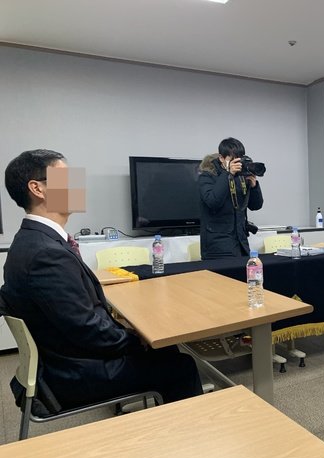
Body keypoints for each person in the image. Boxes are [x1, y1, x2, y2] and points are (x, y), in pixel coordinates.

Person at [1, 149, 203, 410]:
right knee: (181, 366)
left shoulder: (31, 241)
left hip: (64, 359)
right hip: (75, 373)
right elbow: (87, 330)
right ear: (37, 189)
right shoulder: (45, 253)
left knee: (166, 349)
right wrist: (136, 339)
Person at [199, 138, 264, 259]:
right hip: (217, 247)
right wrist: (228, 174)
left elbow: (256, 206)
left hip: (241, 243)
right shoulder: (207, 176)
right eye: (233, 159)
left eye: (239, 158)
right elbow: (213, 201)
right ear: (221, 158)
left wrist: (254, 186)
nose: (237, 163)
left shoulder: (241, 177)